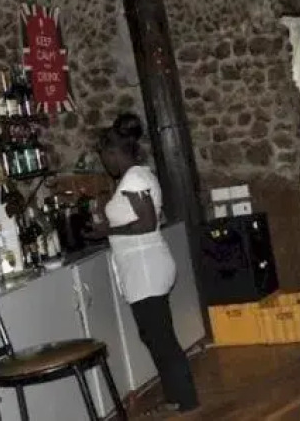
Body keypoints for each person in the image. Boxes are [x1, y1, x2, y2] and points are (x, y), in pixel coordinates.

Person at [87, 113, 199, 413]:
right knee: (154, 335)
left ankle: (187, 399)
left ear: (114, 152)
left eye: (104, 156)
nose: (104, 163)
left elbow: (147, 223)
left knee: (160, 337)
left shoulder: (134, 179)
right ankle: (176, 397)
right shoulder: (139, 176)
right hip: (143, 264)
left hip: (146, 265)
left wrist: (107, 231)